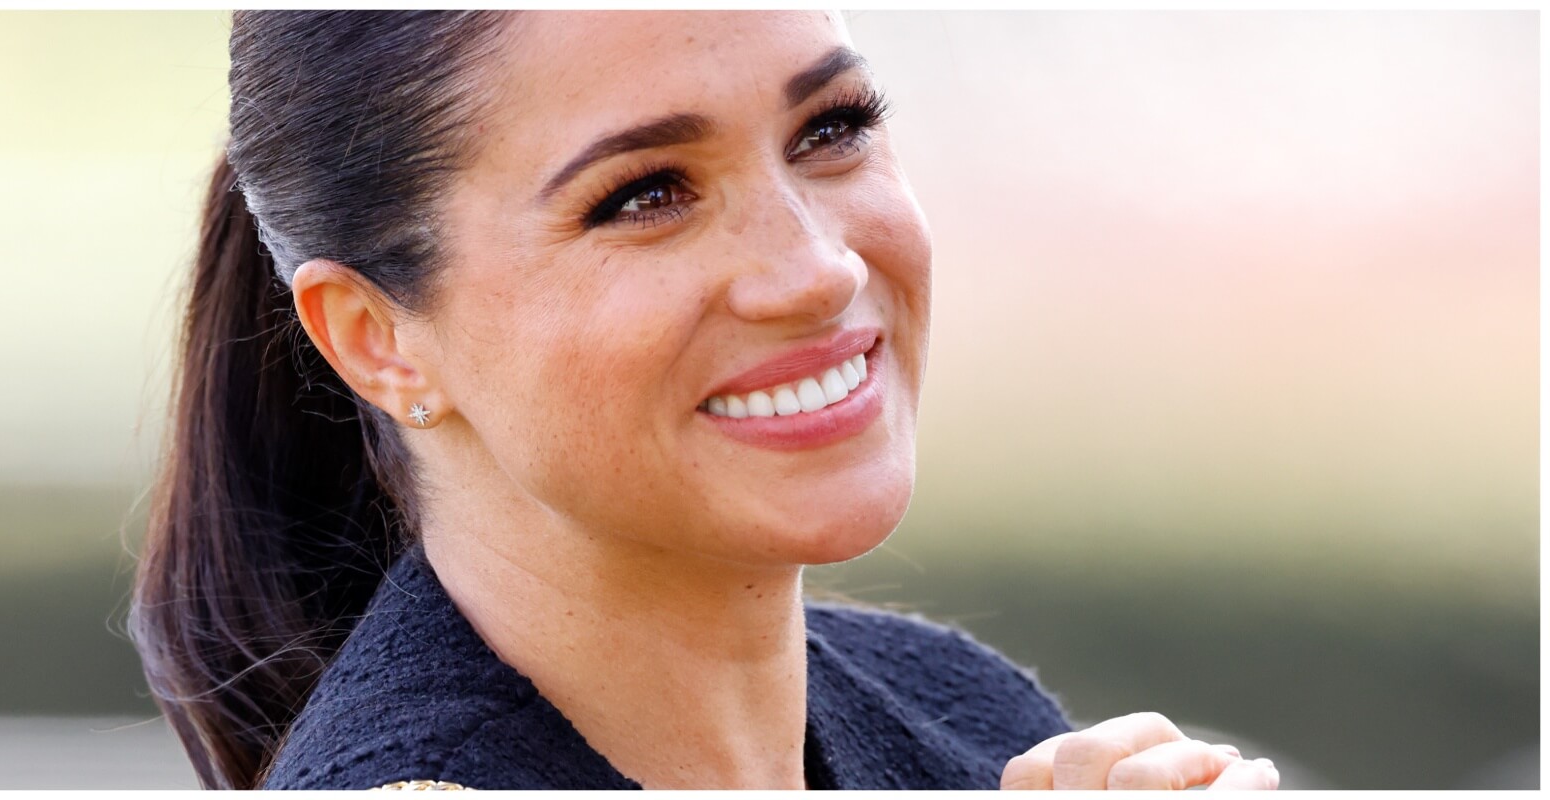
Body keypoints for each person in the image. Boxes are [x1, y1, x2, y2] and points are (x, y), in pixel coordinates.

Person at [130, 10, 1282, 791]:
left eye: (830, 130)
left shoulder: (966, 718)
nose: (817, 268)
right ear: (376, 339)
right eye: (645, 195)